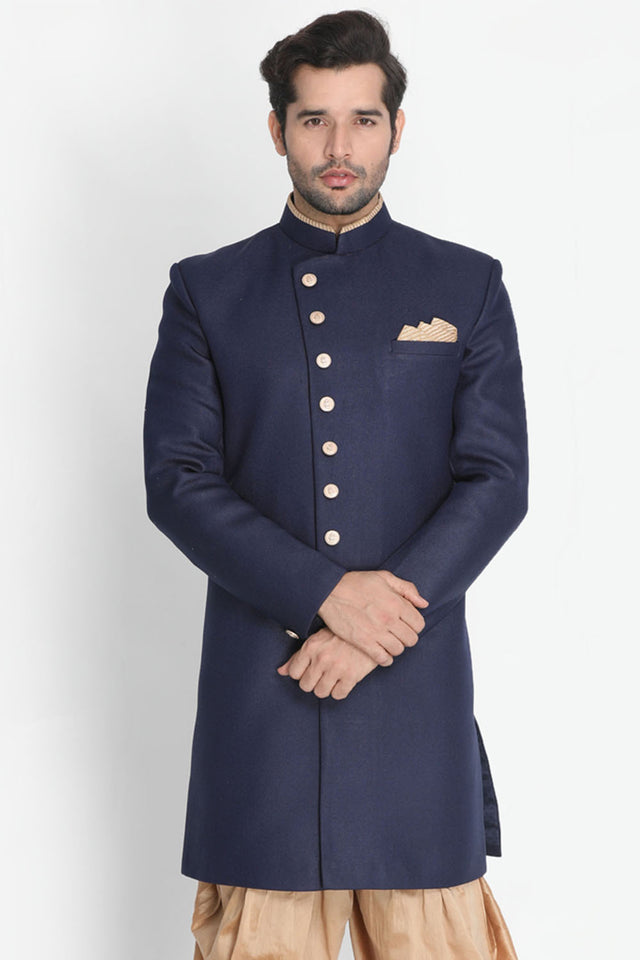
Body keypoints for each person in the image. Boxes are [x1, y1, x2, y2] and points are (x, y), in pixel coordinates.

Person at [143, 9, 529, 959]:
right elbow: (178, 481)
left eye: (363, 119)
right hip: (265, 700)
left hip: (413, 693)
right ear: (278, 130)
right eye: (315, 119)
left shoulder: (467, 285)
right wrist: (326, 596)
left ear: (398, 127)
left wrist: (375, 624)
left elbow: (496, 480)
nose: (340, 147)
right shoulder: (206, 291)